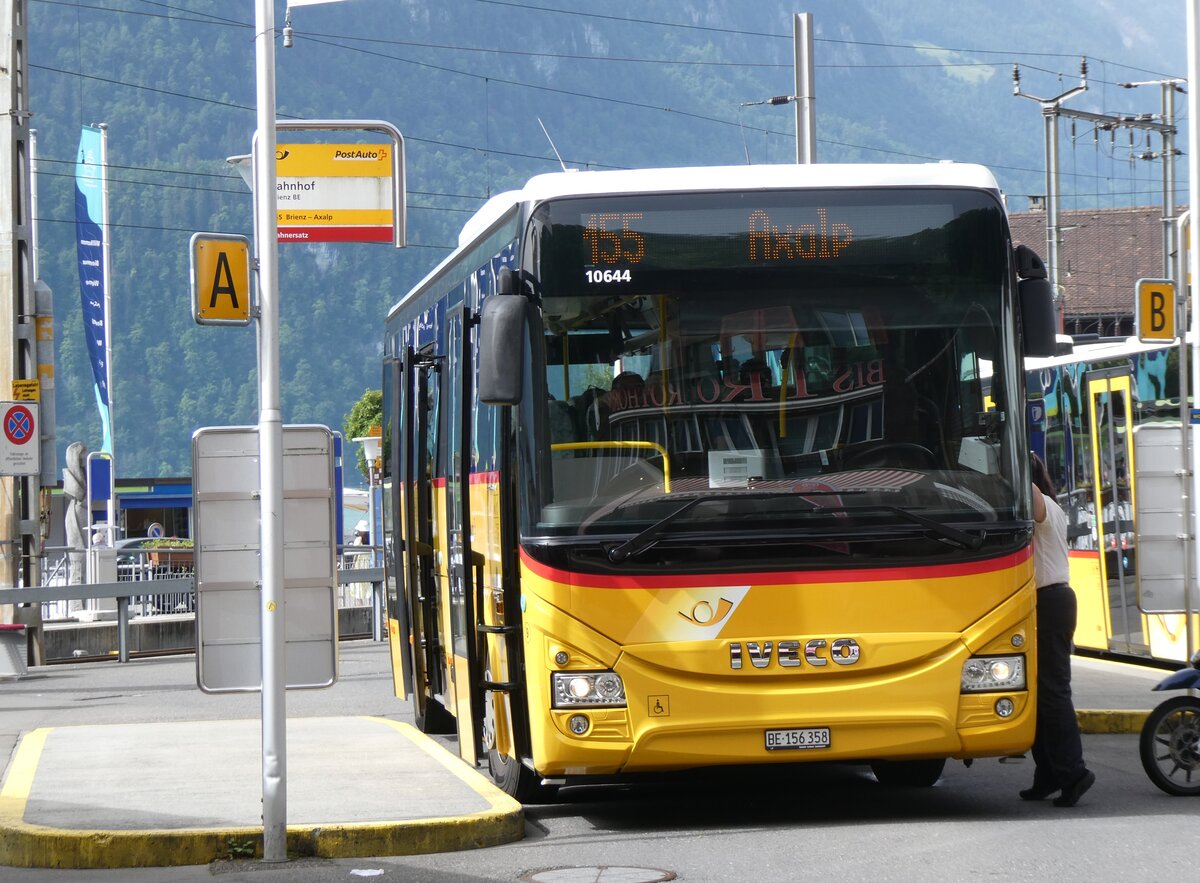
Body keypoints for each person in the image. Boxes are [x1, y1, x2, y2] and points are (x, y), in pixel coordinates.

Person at [1023, 452, 1095, 807]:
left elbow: (1029, 492)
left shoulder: (1043, 504)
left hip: (1050, 601)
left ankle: (1074, 772)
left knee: (1053, 692)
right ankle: (1048, 774)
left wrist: (1009, 465)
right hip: (1045, 603)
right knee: (1038, 694)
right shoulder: (1052, 506)